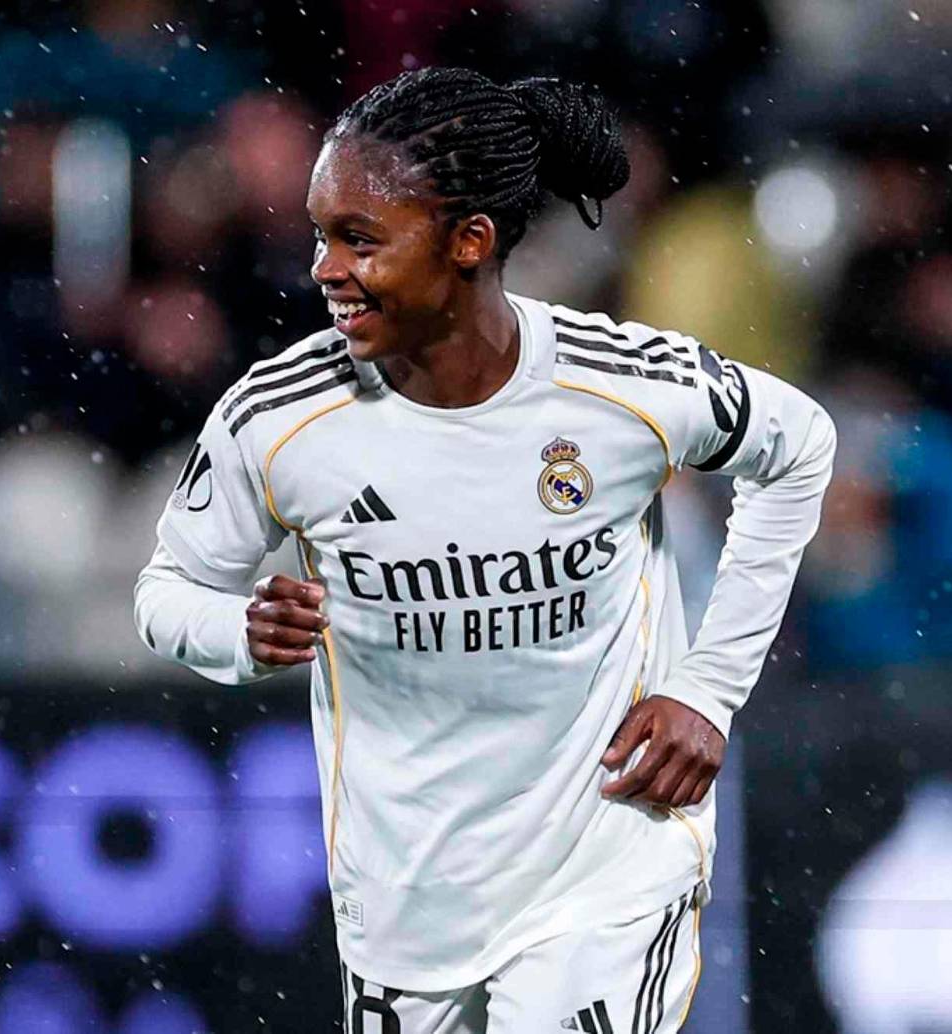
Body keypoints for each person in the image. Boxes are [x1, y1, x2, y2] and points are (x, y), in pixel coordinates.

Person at [134, 67, 835, 1033]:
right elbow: (167, 593)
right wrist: (236, 630)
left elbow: (798, 446)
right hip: (405, 896)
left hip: (602, 870)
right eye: (319, 235)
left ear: (469, 243)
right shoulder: (279, 419)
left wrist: (709, 687)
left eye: (359, 239)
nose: (324, 269)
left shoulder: (615, 386)